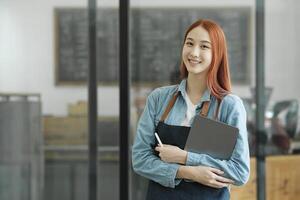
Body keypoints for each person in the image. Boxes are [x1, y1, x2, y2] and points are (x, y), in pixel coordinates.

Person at [132, 19, 250, 200]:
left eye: (204, 46)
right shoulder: (159, 99)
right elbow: (140, 159)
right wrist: (189, 172)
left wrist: (185, 157)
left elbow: (239, 172)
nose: (194, 52)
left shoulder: (229, 106)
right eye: (189, 43)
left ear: (217, 54)